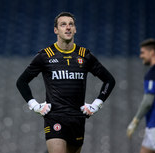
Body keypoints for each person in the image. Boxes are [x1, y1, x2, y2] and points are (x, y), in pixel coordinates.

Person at [16, 12, 115, 153]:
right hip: (55, 116)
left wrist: (96, 105)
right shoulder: (46, 56)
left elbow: (109, 80)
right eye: (63, 24)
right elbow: (22, 82)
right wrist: (34, 105)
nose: (68, 28)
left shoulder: (84, 55)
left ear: (75, 29)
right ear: (56, 30)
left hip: (78, 118)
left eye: (71, 24)